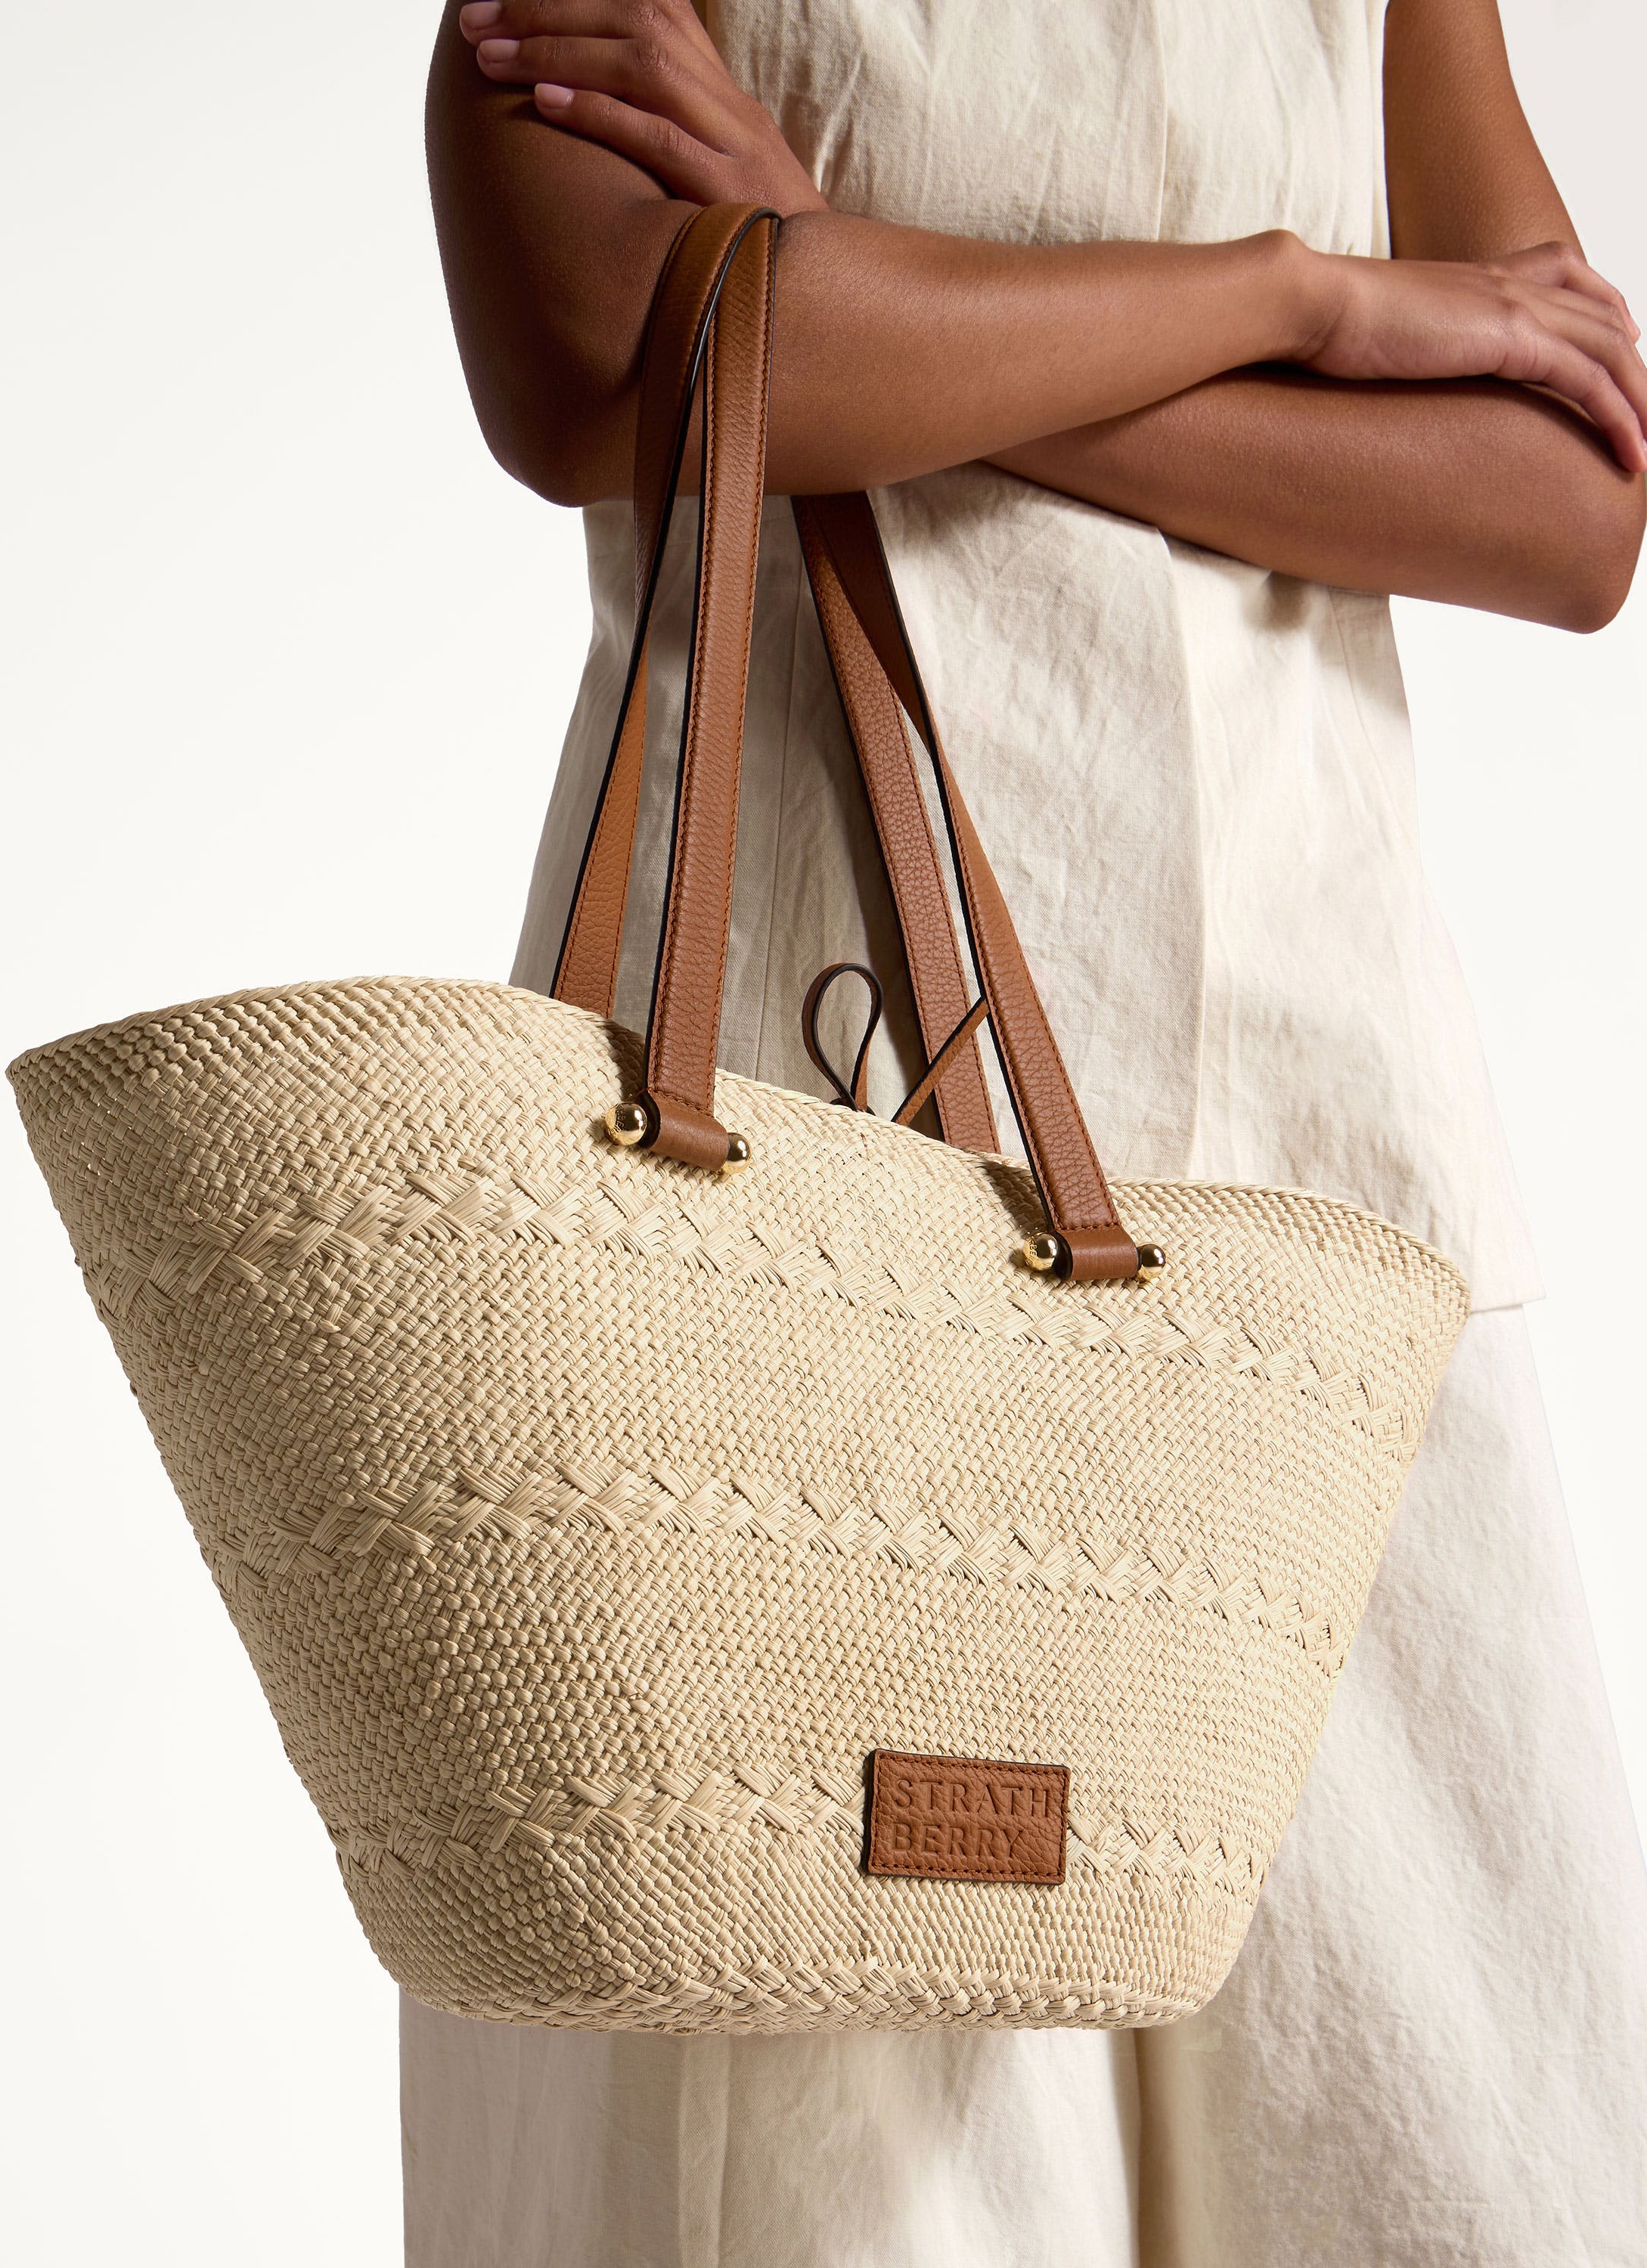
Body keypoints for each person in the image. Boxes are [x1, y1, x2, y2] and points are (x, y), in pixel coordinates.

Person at [408, 2, 1647, 2260]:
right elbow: (602, 358)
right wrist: (1310, 304)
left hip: (1318, 1173)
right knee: (843, 2165)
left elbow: (1562, 499)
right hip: (792, 1161)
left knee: (1446, 2148)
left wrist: (853, 275)